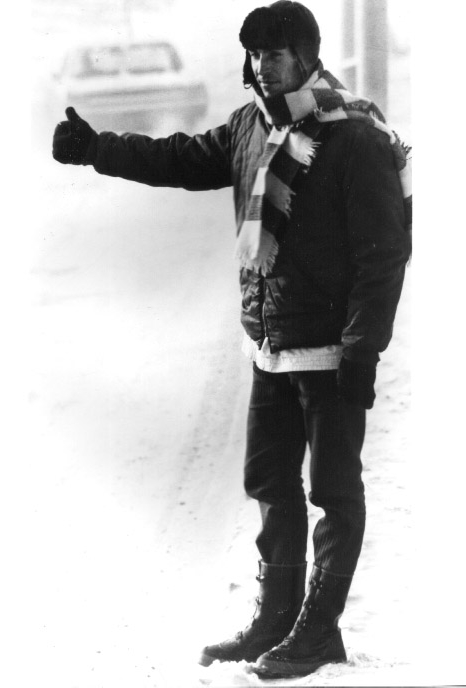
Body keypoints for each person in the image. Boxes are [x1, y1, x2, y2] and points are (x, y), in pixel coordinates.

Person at [52, 0, 411, 679]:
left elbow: (382, 254)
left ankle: (318, 630)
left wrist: (363, 349)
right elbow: (183, 157)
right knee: (269, 479)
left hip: (332, 350)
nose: (261, 65)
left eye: (274, 53)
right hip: (270, 345)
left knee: (334, 491)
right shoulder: (252, 125)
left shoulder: (352, 138)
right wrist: (98, 148)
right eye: (254, 53)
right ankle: (275, 618)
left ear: (306, 57)